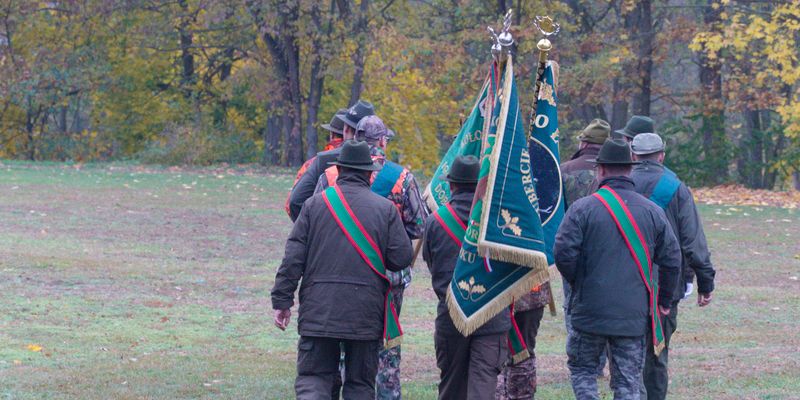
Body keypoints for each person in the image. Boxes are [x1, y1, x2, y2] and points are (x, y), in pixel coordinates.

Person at [271, 140, 414, 400]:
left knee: (313, 380)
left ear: (339, 170)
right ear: (369, 174)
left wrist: (282, 301)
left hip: (319, 310)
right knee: (359, 385)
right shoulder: (385, 210)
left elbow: (293, 258)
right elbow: (401, 258)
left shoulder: (313, 206)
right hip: (365, 312)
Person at [554, 139, 681, 400]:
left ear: (600, 170)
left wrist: (581, 284)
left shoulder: (582, 209)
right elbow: (671, 259)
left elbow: (563, 254)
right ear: (630, 170)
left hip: (588, 310)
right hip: (633, 314)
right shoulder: (652, 211)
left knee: (584, 371)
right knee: (628, 382)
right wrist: (664, 300)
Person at [316, 116, 427, 400]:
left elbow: (312, 216)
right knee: (386, 345)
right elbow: (419, 226)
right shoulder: (402, 178)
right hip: (387, 278)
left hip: (339, 271)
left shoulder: (330, 176)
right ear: (381, 141)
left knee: (340, 342)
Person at [630, 133, 716, 400]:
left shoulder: (614, 185)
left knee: (624, 354)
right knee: (656, 352)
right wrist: (705, 282)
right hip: (662, 285)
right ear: (662, 156)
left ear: (633, 155)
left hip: (621, 283)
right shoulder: (675, 187)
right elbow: (692, 242)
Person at [422, 155, 510, 399]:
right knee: (483, 386)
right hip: (492, 314)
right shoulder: (499, 221)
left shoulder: (435, 222)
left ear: (451, 185)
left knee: (451, 386)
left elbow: (431, 263)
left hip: (452, 314)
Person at [559, 118, 611, 379]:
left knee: (574, 306)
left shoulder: (564, 169)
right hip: (609, 250)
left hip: (573, 250)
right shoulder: (617, 171)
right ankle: (606, 361)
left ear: (584, 142)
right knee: (609, 305)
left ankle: (581, 359)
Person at [287, 100, 375, 221]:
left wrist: (311, 230)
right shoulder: (384, 165)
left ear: (346, 130)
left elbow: (295, 201)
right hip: (370, 237)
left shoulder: (324, 160)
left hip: (327, 234)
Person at [284, 108, 348, 217]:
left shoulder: (313, 163)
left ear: (331, 134)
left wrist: (307, 227)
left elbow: (292, 202)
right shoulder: (367, 162)